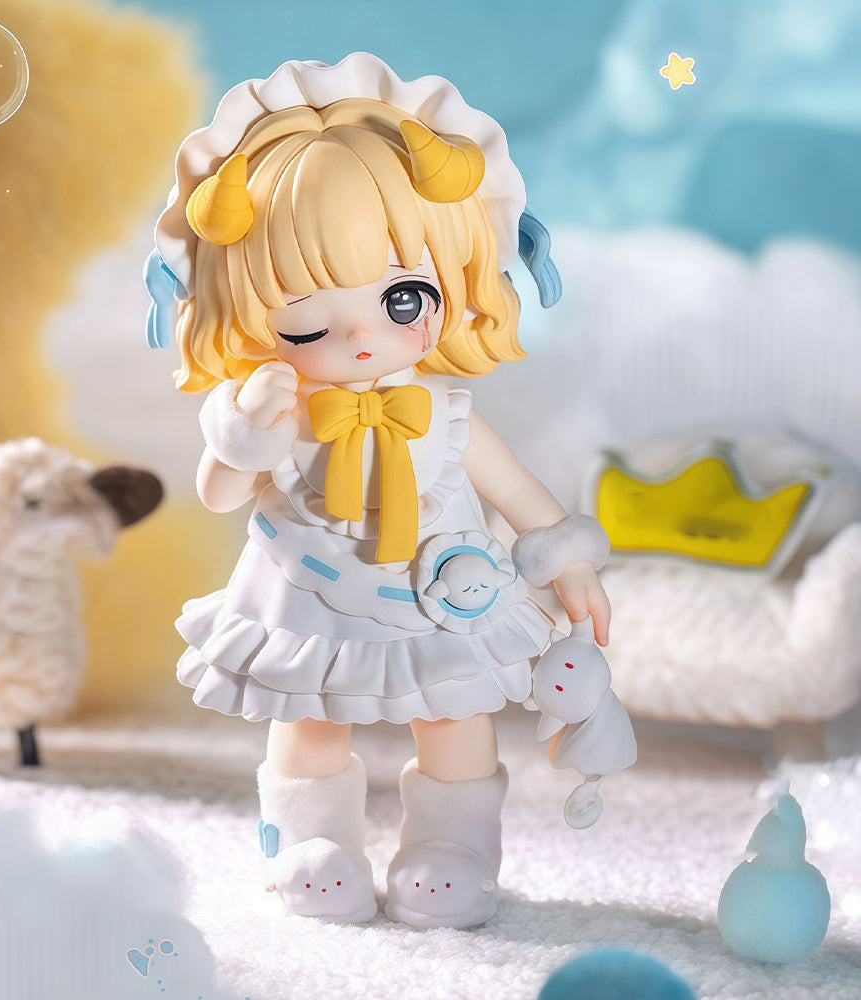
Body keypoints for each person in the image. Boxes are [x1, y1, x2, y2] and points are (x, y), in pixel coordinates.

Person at [145, 52, 611, 928]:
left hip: (443, 592)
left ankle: (455, 851)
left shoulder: (447, 411)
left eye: (403, 300)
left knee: (455, 717)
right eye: (309, 323)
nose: (361, 339)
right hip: (307, 594)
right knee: (311, 718)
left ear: (454, 280)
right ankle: (310, 846)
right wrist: (244, 433)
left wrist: (567, 560)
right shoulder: (279, 405)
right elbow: (221, 491)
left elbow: (519, 493)